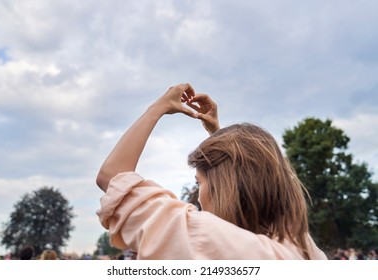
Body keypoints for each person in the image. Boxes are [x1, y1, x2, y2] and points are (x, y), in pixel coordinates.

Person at [96, 83, 327, 260]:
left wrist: (159, 106)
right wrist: (219, 137)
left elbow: (112, 176)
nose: (198, 196)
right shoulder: (305, 250)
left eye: (200, 183)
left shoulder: (207, 239)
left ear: (225, 186)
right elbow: (269, 173)